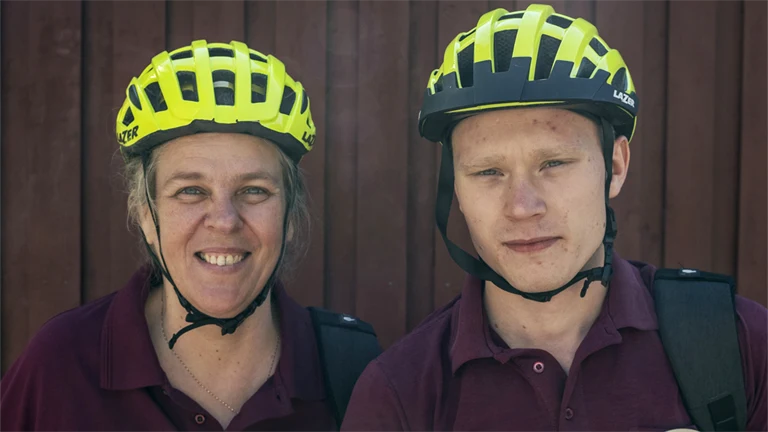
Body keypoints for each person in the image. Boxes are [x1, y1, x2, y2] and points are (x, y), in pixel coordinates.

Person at [342, 4, 768, 431]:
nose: (522, 206)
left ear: (615, 167)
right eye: (488, 172)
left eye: (555, 163)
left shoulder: (740, 345)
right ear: (455, 187)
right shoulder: (398, 395)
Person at [0, 40, 363, 431]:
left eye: (254, 190)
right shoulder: (60, 366)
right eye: (190, 190)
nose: (224, 221)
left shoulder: (353, 371)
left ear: (291, 215)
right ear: (145, 214)